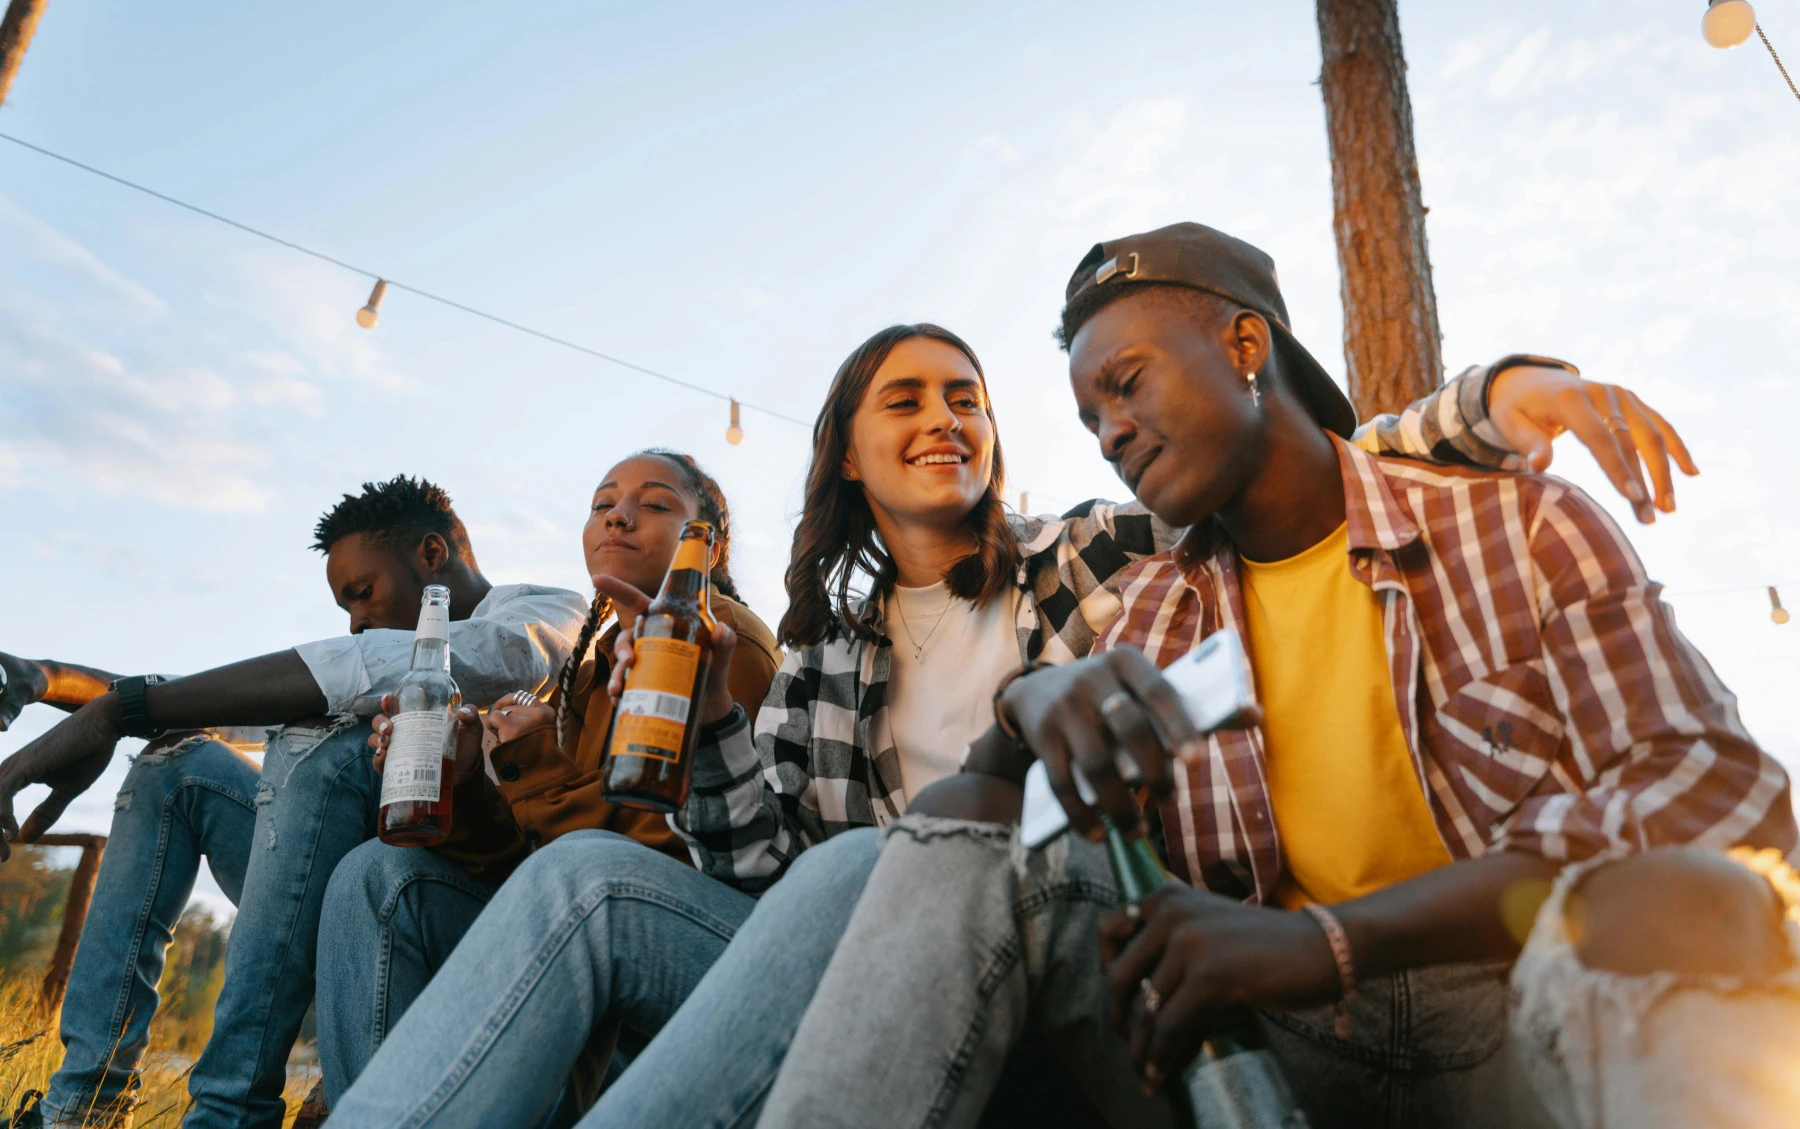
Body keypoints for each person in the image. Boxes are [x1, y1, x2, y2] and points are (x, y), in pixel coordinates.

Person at [331, 317, 1690, 1129]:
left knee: (890, 856)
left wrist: (1493, 398)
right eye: (905, 400)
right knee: (579, 879)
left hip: (1061, 922)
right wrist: (684, 748)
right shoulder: (814, 662)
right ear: (849, 458)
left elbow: (1297, 469)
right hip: (843, 962)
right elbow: (752, 884)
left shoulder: (1106, 551)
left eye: (967, 394)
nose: (945, 416)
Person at [753, 223, 1800, 1129]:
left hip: (1515, 1021)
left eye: (1127, 384)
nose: (1111, 430)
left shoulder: (1518, 527)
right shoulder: (1155, 617)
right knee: (959, 856)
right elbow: (995, 851)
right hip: (1284, 1055)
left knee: (1687, 892)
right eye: (1088, 419)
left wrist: (1328, 941)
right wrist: (1017, 721)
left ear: (1244, 344)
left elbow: (1718, 797)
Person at [0, 476, 589, 1129]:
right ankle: (81, 1107)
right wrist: (56, 680)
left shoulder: (545, 615)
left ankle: (229, 1114)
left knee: (318, 741)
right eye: (345, 607)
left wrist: (121, 709)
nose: (356, 619)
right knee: (176, 761)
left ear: (429, 555)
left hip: (456, 913)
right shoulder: (366, 661)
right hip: (338, 881)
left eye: (362, 593)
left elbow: (403, 664)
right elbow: (230, 704)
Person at [313, 450, 782, 1108]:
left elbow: (654, 850)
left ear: (708, 543)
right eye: (601, 504)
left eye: (654, 504)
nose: (618, 515)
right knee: (376, 876)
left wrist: (532, 758)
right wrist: (472, 775)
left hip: (687, 941)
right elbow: (530, 863)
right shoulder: (590, 671)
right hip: (583, 914)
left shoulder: (721, 640)